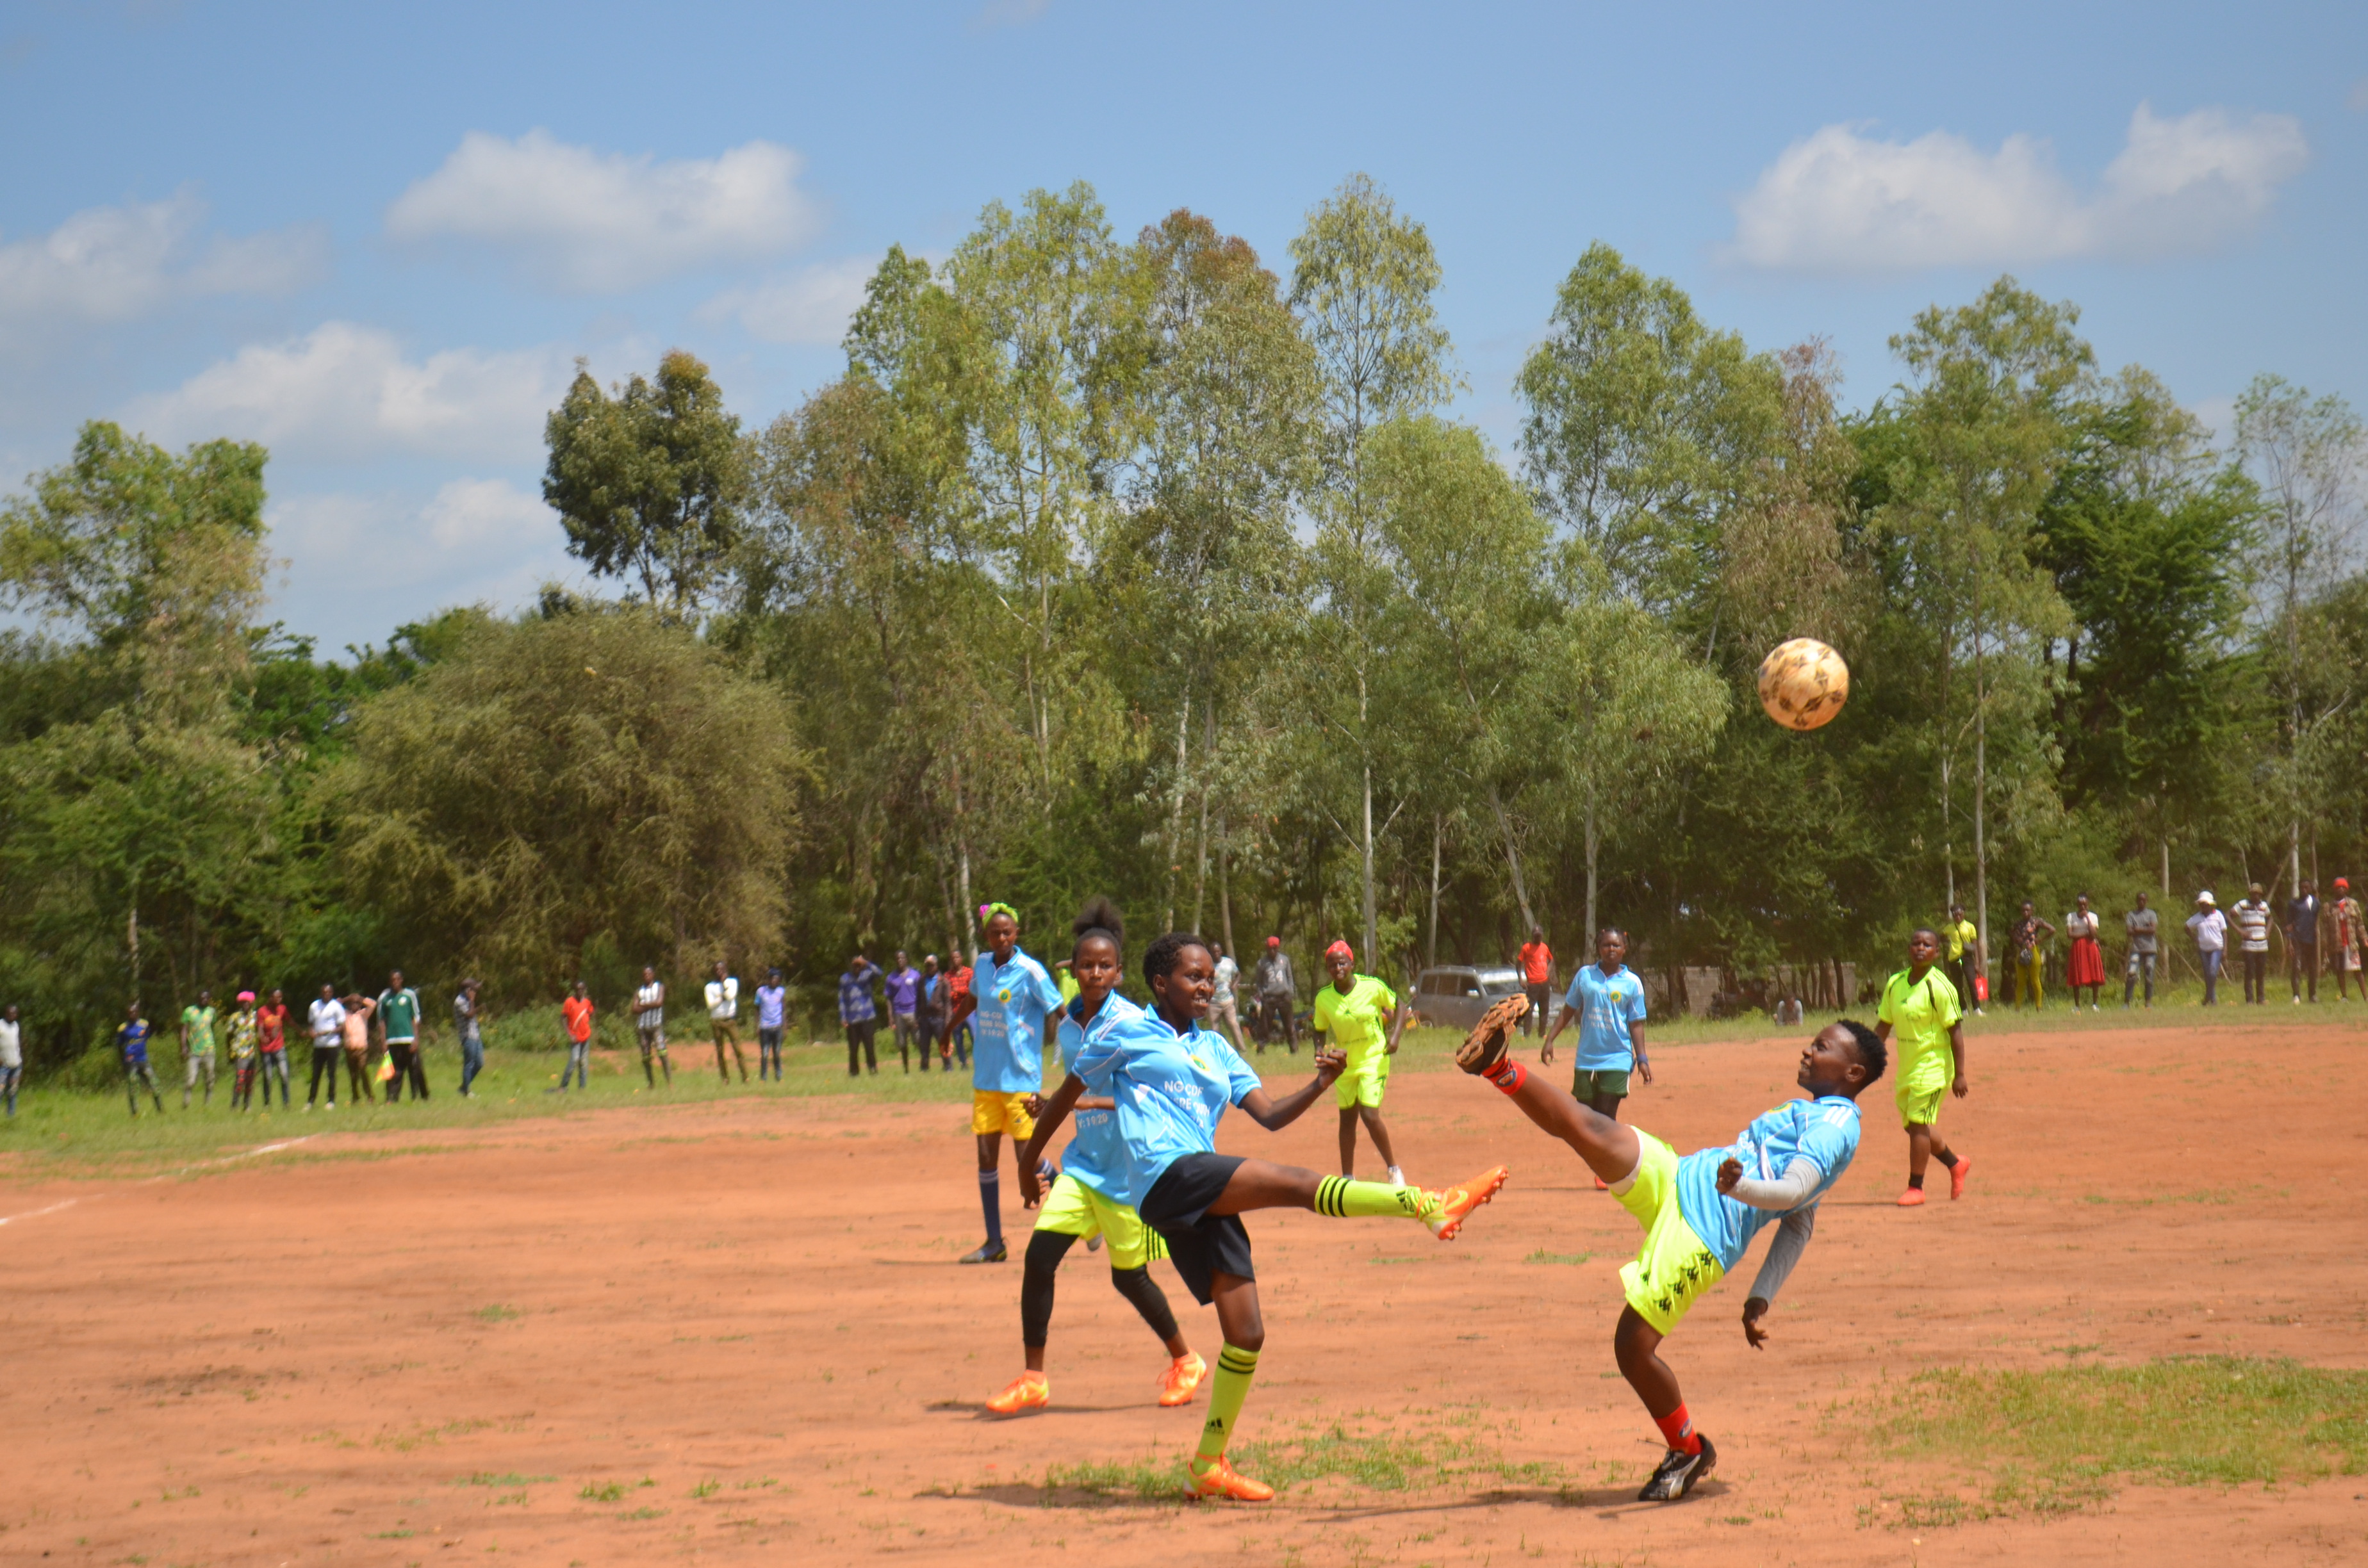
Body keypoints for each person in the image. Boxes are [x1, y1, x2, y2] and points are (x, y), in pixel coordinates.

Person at [1023, 931, 1506, 1501]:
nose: (1205, 986)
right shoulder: (1124, 1030)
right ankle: (1428, 1205)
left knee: (1246, 1333)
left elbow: (1271, 1116)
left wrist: (1321, 1084)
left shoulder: (1219, 1050)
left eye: (1209, 978)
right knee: (1298, 1183)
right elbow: (1065, 1095)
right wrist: (1029, 1162)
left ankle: (1207, 1464)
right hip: (1165, 1176)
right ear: (1160, 983)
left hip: (1197, 1189)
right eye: (1192, 977)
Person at [1455, 1002, 1882, 1504]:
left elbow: (1793, 1195)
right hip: (1681, 1177)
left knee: (1631, 1348)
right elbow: (1802, 1218)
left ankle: (1688, 1449)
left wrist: (1740, 1190)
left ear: (1854, 1072)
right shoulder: (1811, 1110)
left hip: (1705, 1233)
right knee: (1590, 1128)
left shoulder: (1835, 1127)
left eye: (1823, 1046)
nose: (1808, 1049)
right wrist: (1761, 1296)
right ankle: (1497, 1066)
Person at [983, 898, 1208, 1417]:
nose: (1096, 972)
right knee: (1039, 1259)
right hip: (1083, 1165)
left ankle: (1187, 1359)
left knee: (1128, 1277)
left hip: (1130, 1173)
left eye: (1106, 965)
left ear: (1120, 971)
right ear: (1074, 969)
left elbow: (1151, 1094)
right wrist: (1056, 1103)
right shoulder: (1068, 1026)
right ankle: (1034, 1378)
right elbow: (1071, 1088)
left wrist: (1082, 1099)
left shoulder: (1134, 1024)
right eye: (1087, 964)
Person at [944, 904, 1062, 1264]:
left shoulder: (1030, 970)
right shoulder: (981, 965)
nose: (1001, 938)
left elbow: (1058, 1008)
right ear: (986, 935)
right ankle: (994, 1242)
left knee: (1026, 1160)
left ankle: (1081, 1207)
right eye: (995, 933)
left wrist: (1082, 1034)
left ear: (1016, 933)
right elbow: (973, 1000)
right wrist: (948, 1028)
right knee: (985, 1158)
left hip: (1020, 1080)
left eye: (1007, 932)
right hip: (987, 1079)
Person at [1538, 927, 1652, 1191]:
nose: (1611, 949)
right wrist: (1550, 1039)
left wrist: (1642, 1058)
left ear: (1624, 948)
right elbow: (1569, 1009)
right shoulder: (1585, 977)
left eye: (1616, 946)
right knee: (1586, 1118)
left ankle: (1607, 1170)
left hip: (1617, 1058)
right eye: (1606, 945)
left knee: (1606, 1117)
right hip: (1587, 1058)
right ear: (1598, 948)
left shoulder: (1632, 983)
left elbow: (1636, 1023)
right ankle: (1607, 1162)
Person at [1875, 928, 1969, 1207]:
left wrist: (1960, 1074)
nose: (1920, 948)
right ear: (1908, 949)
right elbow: (1884, 1024)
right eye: (1915, 943)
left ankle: (1916, 1188)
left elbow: (1956, 1032)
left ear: (1937, 952)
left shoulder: (1940, 986)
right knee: (1914, 1127)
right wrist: (1867, 1055)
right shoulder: (1895, 984)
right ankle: (1956, 1164)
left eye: (1927, 945)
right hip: (1907, 1066)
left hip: (1934, 1066)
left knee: (1918, 1124)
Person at [1310, 940, 1413, 1186]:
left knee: (1369, 1114)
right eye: (1332, 965)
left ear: (1352, 964)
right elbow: (1319, 1029)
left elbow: (1399, 1004)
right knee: (1347, 1119)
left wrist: (1396, 1036)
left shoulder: (1371, 986)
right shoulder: (1324, 998)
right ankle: (1348, 1178)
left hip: (1374, 1059)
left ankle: (1393, 1170)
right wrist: (1318, 1048)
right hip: (1344, 1065)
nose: (1338, 968)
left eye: (1342, 963)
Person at [378, 970, 427, 1103]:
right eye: (392, 980)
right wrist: (383, 1041)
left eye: (397, 979)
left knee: (415, 1068)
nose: (395, 982)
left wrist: (416, 1039)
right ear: (390, 981)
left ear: (401, 980)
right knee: (394, 1070)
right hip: (392, 1040)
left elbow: (416, 1018)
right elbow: (381, 1021)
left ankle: (418, 1096)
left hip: (408, 1038)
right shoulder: (385, 997)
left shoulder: (409, 995)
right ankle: (392, 1098)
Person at [1251, 936, 1297, 1053]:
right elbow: (1259, 981)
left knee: (1289, 1025)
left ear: (1278, 948)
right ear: (1266, 949)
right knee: (1265, 1026)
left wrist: (1290, 991)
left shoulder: (1285, 960)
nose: (1272, 951)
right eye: (1270, 949)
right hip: (1269, 997)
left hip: (1284, 996)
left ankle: (1294, 1049)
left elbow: (1290, 977)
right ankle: (1261, 1049)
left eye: (1274, 948)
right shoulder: (1261, 963)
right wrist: (1261, 994)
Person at [305, 984, 346, 1110]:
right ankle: (311, 1101)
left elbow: (342, 1026)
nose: (326, 994)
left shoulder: (336, 1007)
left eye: (329, 992)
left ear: (332, 993)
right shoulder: (314, 1006)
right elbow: (311, 1024)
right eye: (324, 992)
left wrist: (329, 1032)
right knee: (316, 1074)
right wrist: (311, 1032)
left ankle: (331, 1100)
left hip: (332, 1044)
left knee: (331, 1073)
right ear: (321, 993)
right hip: (318, 1045)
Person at [839, 954, 882, 1076]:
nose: (857, 968)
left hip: (867, 1017)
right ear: (851, 966)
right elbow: (841, 998)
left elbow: (879, 973)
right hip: (852, 1019)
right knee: (853, 1048)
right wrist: (843, 1017)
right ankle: (854, 1072)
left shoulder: (867, 975)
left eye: (859, 966)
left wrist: (866, 963)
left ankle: (873, 1069)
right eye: (855, 966)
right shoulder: (845, 979)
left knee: (869, 1046)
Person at [705, 961, 748, 1082]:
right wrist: (722, 997)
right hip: (716, 1021)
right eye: (717, 970)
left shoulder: (732, 982)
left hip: (730, 1020)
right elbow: (710, 1005)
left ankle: (745, 1077)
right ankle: (725, 1078)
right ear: (714, 972)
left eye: (722, 970)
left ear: (725, 970)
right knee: (720, 1051)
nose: (719, 972)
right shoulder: (709, 987)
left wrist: (724, 984)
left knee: (737, 1048)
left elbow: (730, 996)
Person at [120, 1000, 163, 1116]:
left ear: (138, 1012)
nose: (132, 1014)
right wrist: (123, 1062)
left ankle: (160, 1109)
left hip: (143, 1060)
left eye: (134, 1012)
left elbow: (147, 1037)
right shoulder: (123, 1028)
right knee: (133, 1087)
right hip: (130, 1062)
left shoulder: (144, 1024)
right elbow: (119, 1045)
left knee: (154, 1083)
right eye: (130, 1012)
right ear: (127, 1014)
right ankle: (134, 1113)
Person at [2063, 895, 2105, 1011]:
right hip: (2077, 948)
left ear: (2088, 904)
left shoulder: (2093, 916)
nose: (2082, 906)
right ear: (2077, 904)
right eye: (2080, 904)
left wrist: (2087, 918)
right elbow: (2070, 935)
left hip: (2090, 947)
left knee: (2094, 974)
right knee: (2077, 975)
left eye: (2084, 904)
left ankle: (2095, 1004)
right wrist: (2085, 934)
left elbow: (2093, 934)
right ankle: (2077, 1005)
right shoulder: (2071, 916)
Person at [2008, 902, 2053, 1009]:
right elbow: (2011, 933)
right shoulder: (2018, 924)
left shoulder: (2036, 921)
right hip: (2022, 951)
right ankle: (2018, 1007)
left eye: (2028, 910)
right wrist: (2017, 940)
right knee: (2020, 981)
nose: (2025, 912)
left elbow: (2052, 929)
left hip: (2033, 951)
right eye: (2023, 910)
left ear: (2032, 911)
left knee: (2035, 980)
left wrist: (2040, 940)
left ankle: (2039, 1006)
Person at [2233, 884, 2273, 1004]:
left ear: (2260, 895)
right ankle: (2249, 999)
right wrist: (2240, 931)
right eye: (2253, 893)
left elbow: (2270, 918)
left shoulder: (2264, 906)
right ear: (2250, 894)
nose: (2255, 896)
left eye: (2257, 894)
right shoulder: (2243, 905)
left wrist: (2268, 932)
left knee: (2261, 972)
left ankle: (2261, 998)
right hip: (2249, 944)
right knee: (2250, 971)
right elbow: (2229, 915)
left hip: (2262, 943)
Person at [179, 988, 218, 1109]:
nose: (204, 1000)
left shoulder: (211, 1011)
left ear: (209, 999)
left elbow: (212, 1027)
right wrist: (184, 1046)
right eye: (202, 998)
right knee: (191, 1080)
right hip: (194, 1051)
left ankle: (208, 1103)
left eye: (207, 998)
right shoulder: (189, 1011)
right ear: (198, 998)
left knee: (210, 1079)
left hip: (209, 1050)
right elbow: (184, 1030)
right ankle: (186, 1102)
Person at [634, 965, 671, 1087]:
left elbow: (659, 1002)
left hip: (656, 1026)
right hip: (643, 1027)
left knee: (662, 1052)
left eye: (649, 974)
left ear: (653, 975)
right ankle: (651, 1083)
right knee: (646, 1056)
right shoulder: (639, 991)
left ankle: (669, 1082)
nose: (647, 976)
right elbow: (634, 1009)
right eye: (645, 974)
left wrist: (643, 1005)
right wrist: (651, 1005)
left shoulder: (659, 987)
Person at [884, 952, 923, 1071]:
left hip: (913, 1012)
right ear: (895, 960)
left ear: (906, 960)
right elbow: (888, 998)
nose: (900, 960)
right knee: (902, 1043)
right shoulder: (891, 978)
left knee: (918, 1040)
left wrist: (920, 1014)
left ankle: (924, 1065)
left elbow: (921, 996)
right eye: (898, 958)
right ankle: (906, 1068)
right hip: (899, 1013)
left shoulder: (915, 975)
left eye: (902, 958)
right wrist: (890, 1016)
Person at [2187, 892, 2228, 1006]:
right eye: (2201, 904)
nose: (2203, 906)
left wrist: (2225, 949)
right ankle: (2212, 999)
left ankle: (2208, 996)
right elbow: (2186, 927)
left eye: (2205, 904)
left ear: (2210, 905)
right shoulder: (2197, 917)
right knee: (2207, 974)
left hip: (2216, 948)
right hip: (2203, 949)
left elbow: (2225, 932)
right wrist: (2195, 939)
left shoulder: (2218, 915)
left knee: (2213, 971)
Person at [2122, 892, 2159, 1008]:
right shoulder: (2131, 915)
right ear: (2137, 901)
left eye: (2144, 900)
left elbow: (2153, 930)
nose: (2141, 902)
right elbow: (2129, 932)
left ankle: (2148, 1001)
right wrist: (2145, 928)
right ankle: (2127, 1002)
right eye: (2139, 900)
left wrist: (2137, 928)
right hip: (2136, 949)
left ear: (2147, 901)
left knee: (2149, 973)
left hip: (2150, 949)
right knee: (2131, 974)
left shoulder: (2151, 914)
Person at [2287, 878, 2321, 1004]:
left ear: (2311, 888)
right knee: (2296, 967)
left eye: (2306, 887)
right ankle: (2296, 995)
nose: (2304, 890)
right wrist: (2289, 942)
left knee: (2312, 968)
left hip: (2311, 940)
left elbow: (2316, 920)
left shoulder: (2316, 903)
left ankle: (2312, 995)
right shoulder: (2294, 904)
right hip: (2297, 939)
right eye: (2301, 888)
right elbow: (2289, 924)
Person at [338, 993, 377, 1104]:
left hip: (361, 1049)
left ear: (360, 1005)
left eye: (357, 1003)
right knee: (353, 1075)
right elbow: (335, 1005)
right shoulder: (345, 1015)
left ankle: (370, 1096)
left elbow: (373, 1004)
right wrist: (347, 998)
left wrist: (360, 998)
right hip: (349, 1048)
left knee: (363, 1070)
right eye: (352, 1004)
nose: (354, 1006)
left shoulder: (364, 1014)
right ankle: (355, 1096)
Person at [1517, 925, 1556, 1038]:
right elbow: (1518, 963)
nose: (1538, 938)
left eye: (1539, 936)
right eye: (1536, 936)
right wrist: (1520, 979)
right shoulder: (1526, 948)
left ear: (1542, 936)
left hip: (1544, 983)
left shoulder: (1544, 947)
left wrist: (1548, 972)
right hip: (1532, 984)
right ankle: (1527, 1034)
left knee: (1544, 1009)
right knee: (1529, 1009)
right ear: (1532, 936)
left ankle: (1542, 1034)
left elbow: (1552, 960)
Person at [256, 988, 292, 1108]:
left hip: (279, 1047)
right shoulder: (262, 1011)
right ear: (270, 998)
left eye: (281, 997)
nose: (279, 1000)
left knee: (284, 1075)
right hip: (266, 1050)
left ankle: (286, 1103)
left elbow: (290, 1021)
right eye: (277, 997)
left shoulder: (282, 1009)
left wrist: (301, 1032)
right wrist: (262, 1037)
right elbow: (260, 1027)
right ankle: (267, 1103)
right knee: (268, 1077)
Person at [1946, 904, 1983, 1016]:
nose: (1957, 916)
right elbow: (1940, 936)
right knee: (1958, 985)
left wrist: (1977, 962)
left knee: (1972, 982)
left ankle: (1977, 1008)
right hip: (1954, 958)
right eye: (1955, 914)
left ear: (1963, 913)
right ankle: (1963, 1009)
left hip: (1966, 958)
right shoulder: (1949, 928)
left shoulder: (1970, 927)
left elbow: (1974, 944)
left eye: (1959, 914)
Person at [226, 992, 261, 1112]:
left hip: (252, 1052)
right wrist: (230, 1051)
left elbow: (259, 1030)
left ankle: (247, 1105)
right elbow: (229, 1035)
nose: (246, 1004)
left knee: (250, 1080)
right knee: (240, 1079)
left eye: (248, 1002)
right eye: (243, 1002)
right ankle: (235, 1105)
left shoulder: (256, 1016)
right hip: (240, 1053)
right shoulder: (235, 1017)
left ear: (251, 1003)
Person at [941, 951, 974, 1070]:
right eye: (953, 958)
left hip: (970, 1011)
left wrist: (958, 991)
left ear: (961, 958)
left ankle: (979, 1061)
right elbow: (947, 994)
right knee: (958, 1039)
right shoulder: (947, 976)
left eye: (957, 957)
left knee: (975, 1037)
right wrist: (959, 992)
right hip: (955, 1011)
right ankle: (963, 1063)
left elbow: (973, 991)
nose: (955, 959)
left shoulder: (969, 972)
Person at [1208, 943, 1244, 1052]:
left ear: (1221, 951)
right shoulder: (1208, 965)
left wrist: (1235, 984)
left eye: (1218, 951)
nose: (1216, 954)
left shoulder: (1228, 963)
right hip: (1213, 1002)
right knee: (1215, 1029)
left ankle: (1242, 1050)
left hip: (1227, 1000)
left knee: (1234, 1024)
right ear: (1210, 953)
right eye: (1214, 952)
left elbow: (1238, 974)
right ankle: (1218, 1051)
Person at [559, 982, 594, 1092]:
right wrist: (569, 1033)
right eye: (578, 989)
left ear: (585, 989)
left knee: (584, 1063)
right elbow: (563, 1018)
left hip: (585, 1036)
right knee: (574, 1060)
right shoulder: (569, 1002)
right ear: (575, 990)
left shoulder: (587, 1002)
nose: (580, 991)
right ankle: (563, 1086)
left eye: (582, 989)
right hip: (575, 1037)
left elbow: (591, 1012)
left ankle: (582, 1088)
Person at [454, 979, 486, 1097]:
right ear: (468, 990)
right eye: (474, 990)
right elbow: (469, 1015)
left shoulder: (467, 1000)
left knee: (479, 1063)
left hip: (475, 1035)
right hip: (467, 1037)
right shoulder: (460, 1001)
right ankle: (466, 1091)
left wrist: (477, 1006)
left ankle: (464, 1087)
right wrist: (472, 1001)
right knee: (469, 1064)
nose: (475, 992)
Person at [756, 967, 789, 1081]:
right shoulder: (761, 991)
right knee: (765, 1053)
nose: (774, 981)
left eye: (777, 979)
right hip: (765, 1027)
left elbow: (784, 1010)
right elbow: (757, 1009)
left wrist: (785, 1027)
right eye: (772, 979)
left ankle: (778, 1076)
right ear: (769, 979)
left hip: (777, 1027)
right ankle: (763, 1078)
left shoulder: (781, 991)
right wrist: (757, 1026)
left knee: (777, 1053)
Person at [2334, 879, 2364, 1002]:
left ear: (2346, 889)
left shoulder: (2353, 904)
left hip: (2351, 943)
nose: (2340, 889)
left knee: (2357, 970)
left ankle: (2365, 997)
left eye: (2343, 887)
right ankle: (2345, 996)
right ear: (2334, 889)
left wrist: (2364, 938)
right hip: (2337, 944)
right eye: (2338, 887)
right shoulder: (2329, 907)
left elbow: (2360, 924)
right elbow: (2325, 928)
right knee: (2340, 971)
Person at [916, 956, 945, 1073]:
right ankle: (924, 1067)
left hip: (938, 1017)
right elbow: (918, 1000)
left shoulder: (942, 981)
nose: (929, 968)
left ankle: (947, 1066)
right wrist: (917, 1016)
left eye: (931, 965)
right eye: (927, 965)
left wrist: (947, 1019)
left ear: (936, 966)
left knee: (942, 1043)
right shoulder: (921, 981)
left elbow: (947, 1002)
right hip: (925, 1017)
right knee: (924, 1045)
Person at [0, 1003, 19, 1118]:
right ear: (6, 1013)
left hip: (16, 1065)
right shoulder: (1, 1025)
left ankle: (10, 1117)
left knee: (13, 1091)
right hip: (3, 1066)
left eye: (14, 1013)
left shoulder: (16, 1025)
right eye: (10, 1013)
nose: (12, 1015)